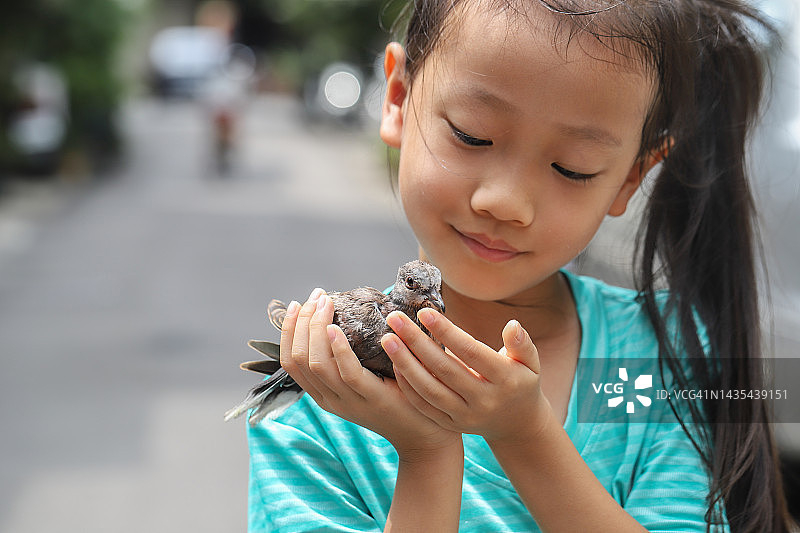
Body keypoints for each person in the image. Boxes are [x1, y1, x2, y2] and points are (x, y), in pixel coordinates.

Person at [246, 1, 795, 531]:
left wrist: (525, 434)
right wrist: (428, 452)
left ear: (630, 177)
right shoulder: (324, 386)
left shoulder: (638, 367)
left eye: (571, 168)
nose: (506, 201)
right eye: (471, 135)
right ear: (397, 98)